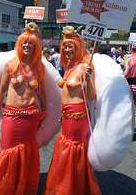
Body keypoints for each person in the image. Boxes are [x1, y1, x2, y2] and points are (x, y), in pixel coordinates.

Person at [0, 22, 47, 195]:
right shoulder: (10, 65)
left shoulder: (39, 68)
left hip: (31, 115)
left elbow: (42, 93)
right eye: (24, 42)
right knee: (7, 151)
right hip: (10, 115)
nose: (27, 45)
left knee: (26, 152)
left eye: (31, 43)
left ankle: (21, 187)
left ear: (36, 45)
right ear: (20, 44)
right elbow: (1, 91)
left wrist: (44, 111)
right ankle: (3, 189)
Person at [43, 26, 101, 195]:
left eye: (71, 46)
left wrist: (89, 79)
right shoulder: (69, 65)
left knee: (73, 150)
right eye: (65, 47)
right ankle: (69, 185)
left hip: (78, 116)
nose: (67, 50)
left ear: (78, 47)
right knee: (67, 149)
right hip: (67, 116)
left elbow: (91, 96)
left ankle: (71, 189)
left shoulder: (84, 67)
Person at [123, 41, 136, 107]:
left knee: (131, 107)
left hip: (131, 86)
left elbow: (125, 73)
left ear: (131, 48)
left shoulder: (128, 59)